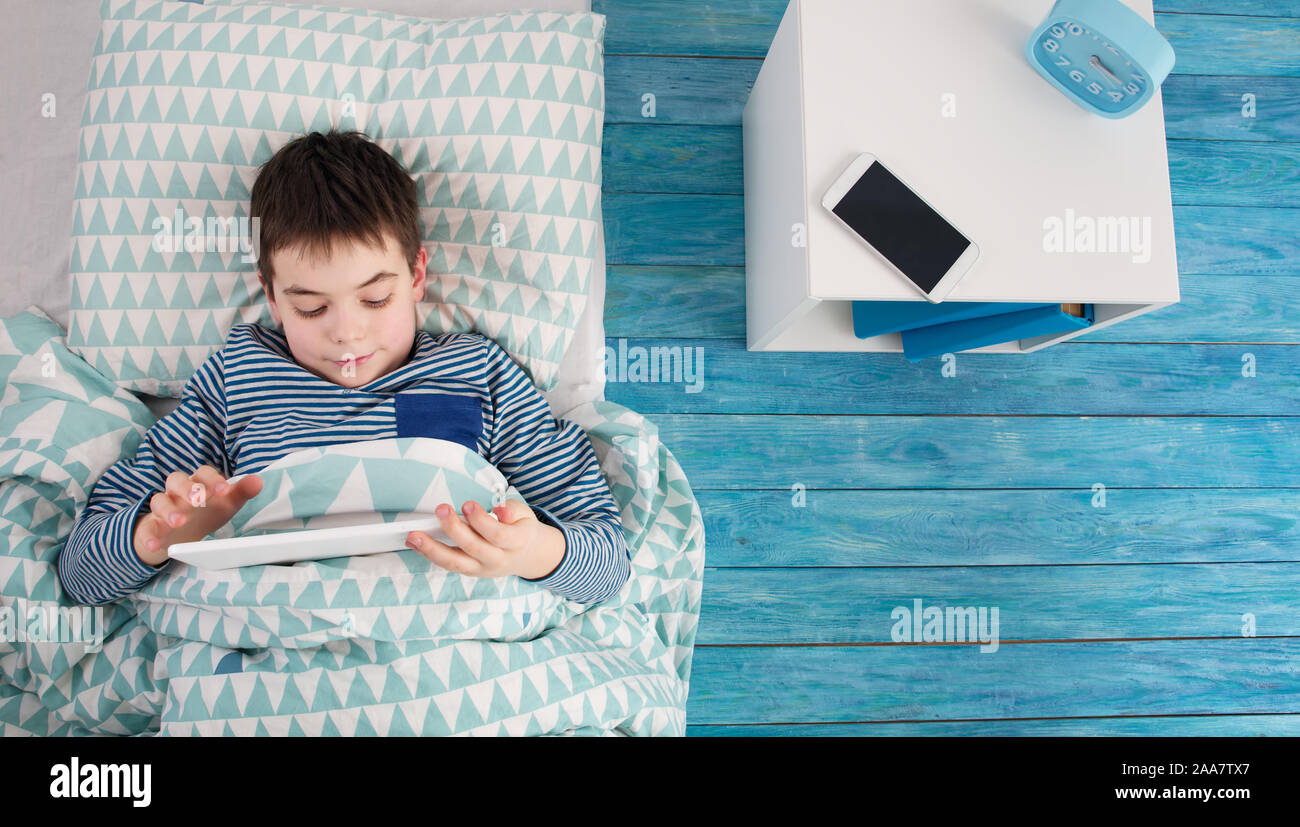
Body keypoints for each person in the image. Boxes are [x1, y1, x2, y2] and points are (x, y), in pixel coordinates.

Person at [58, 129, 631, 607]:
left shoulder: (480, 374)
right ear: (272, 296)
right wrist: (158, 537)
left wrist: (533, 553)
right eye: (311, 307)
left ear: (416, 276)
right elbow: (79, 577)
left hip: (450, 640)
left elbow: (609, 566)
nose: (347, 332)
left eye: (375, 299)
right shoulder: (236, 378)